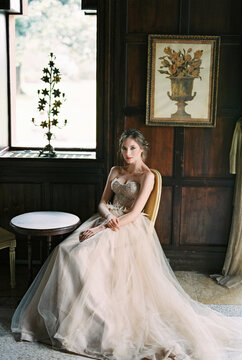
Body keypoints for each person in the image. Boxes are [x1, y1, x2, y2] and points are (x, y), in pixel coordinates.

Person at [11, 129, 242, 360]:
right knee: (64, 251)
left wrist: (103, 228)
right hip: (106, 218)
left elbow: (134, 213)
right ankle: (62, 316)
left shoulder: (147, 176)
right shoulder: (115, 170)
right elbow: (102, 202)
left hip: (126, 227)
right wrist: (105, 217)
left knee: (80, 257)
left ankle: (94, 318)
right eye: (124, 148)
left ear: (142, 149)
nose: (127, 153)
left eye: (132, 148)